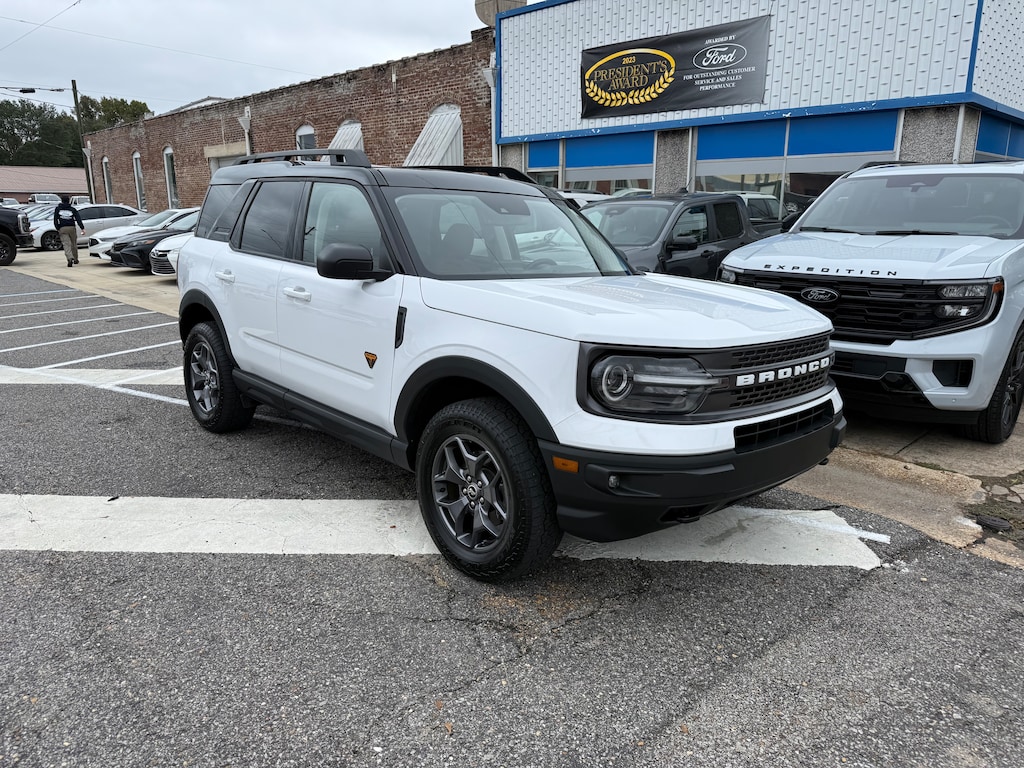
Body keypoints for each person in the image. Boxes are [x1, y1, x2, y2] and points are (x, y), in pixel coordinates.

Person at [52, 195, 85, 267]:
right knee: (73, 243)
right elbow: (78, 219)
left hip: (62, 228)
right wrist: (82, 228)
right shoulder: (72, 209)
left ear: (61, 201)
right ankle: (75, 259)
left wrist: (58, 228)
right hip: (71, 227)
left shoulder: (58, 209)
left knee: (66, 244)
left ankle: (69, 258)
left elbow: (55, 219)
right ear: (69, 201)